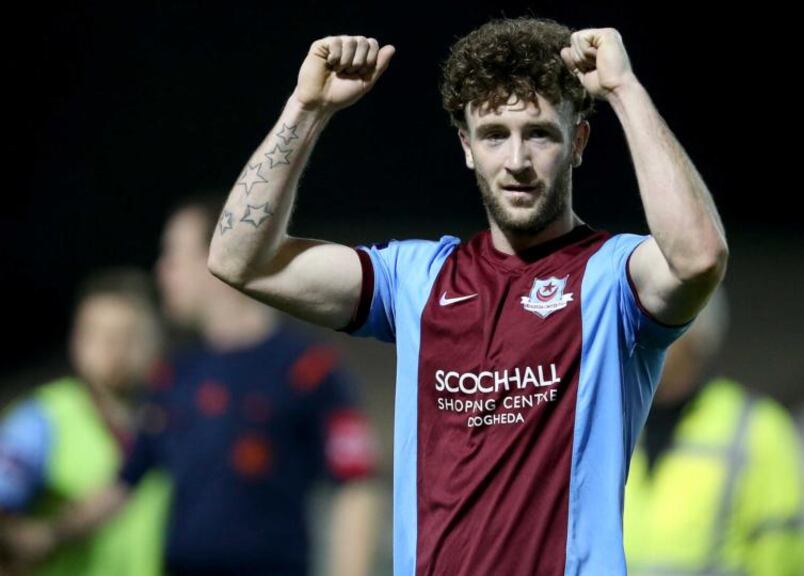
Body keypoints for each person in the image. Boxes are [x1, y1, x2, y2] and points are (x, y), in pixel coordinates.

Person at [208, 16, 729, 575]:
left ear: (577, 141)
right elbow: (239, 260)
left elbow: (699, 257)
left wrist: (624, 90)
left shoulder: (612, 277)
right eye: (494, 135)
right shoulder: (417, 279)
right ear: (467, 147)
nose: (517, 161)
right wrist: (307, 109)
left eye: (540, 133)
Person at [10, 198, 382, 576]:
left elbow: (356, 483)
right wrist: (50, 535)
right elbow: (123, 484)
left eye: (173, 255)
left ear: (223, 255)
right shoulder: (175, 374)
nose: (162, 271)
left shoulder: (307, 368)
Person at [624, 290, 804, 575]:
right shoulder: (613, 422)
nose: (643, 335)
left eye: (660, 321)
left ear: (699, 337)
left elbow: (782, 557)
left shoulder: (758, 427)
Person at [0, 269, 171, 576]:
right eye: (97, 334)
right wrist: (40, 538)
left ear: (156, 340)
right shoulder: (42, 419)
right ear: (76, 340)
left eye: (128, 335)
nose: (112, 348)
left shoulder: (179, 420)